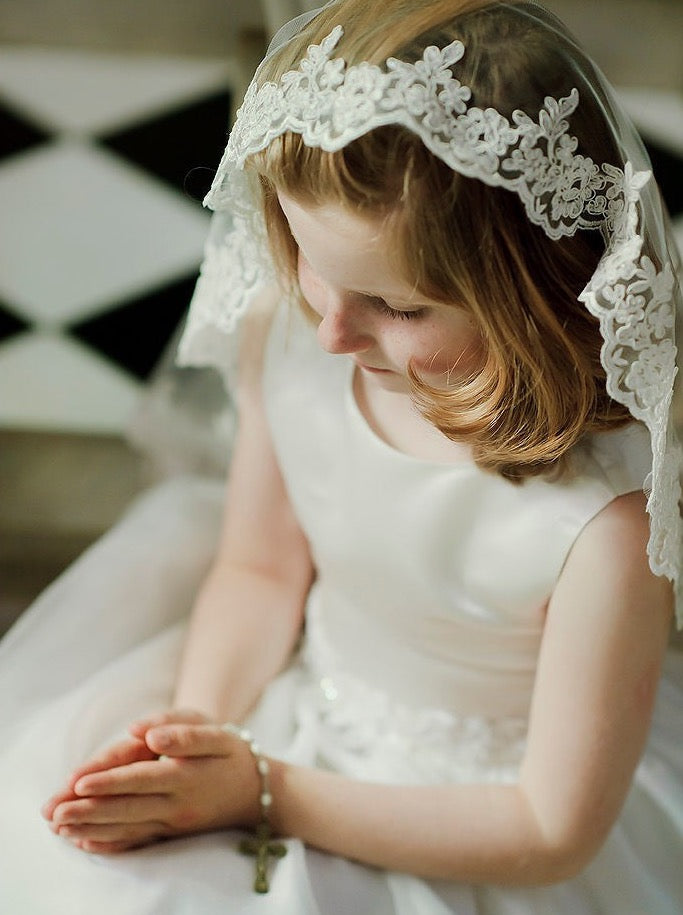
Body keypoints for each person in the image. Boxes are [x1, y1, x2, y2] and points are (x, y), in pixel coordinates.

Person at [2, 1, 682, 912]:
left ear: (538, 290)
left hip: (478, 814)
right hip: (294, 699)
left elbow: (548, 831)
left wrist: (263, 790)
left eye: (396, 306)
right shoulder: (287, 333)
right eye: (311, 264)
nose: (328, 333)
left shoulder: (604, 522)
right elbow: (257, 565)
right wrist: (196, 733)